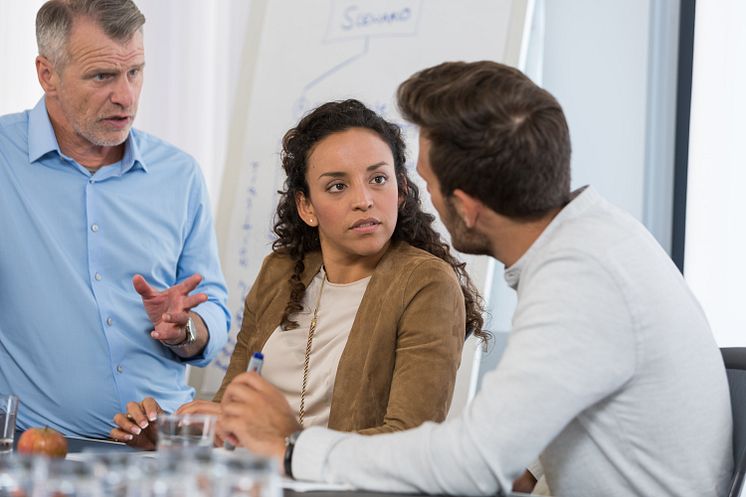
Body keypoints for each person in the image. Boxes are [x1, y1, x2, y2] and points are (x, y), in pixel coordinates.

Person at [215, 61, 734, 497]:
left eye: (422, 181)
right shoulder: (596, 241)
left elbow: (474, 462)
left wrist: (292, 448)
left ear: (465, 206)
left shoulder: (580, 281)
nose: (413, 196)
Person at [109, 99, 485, 448]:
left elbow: (409, 445)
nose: (364, 199)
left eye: (378, 179)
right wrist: (174, 435)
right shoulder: (281, 271)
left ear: (402, 190)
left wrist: (287, 440)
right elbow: (229, 411)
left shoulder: (426, 284)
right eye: (338, 186)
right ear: (306, 206)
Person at [0, 0, 230, 438]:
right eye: (102, 76)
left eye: (135, 72)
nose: (125, 96)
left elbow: (214, 312)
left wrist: (186, 331)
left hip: (162, 451)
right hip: (39, 457)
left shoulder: (178, 174)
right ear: (47, 74)